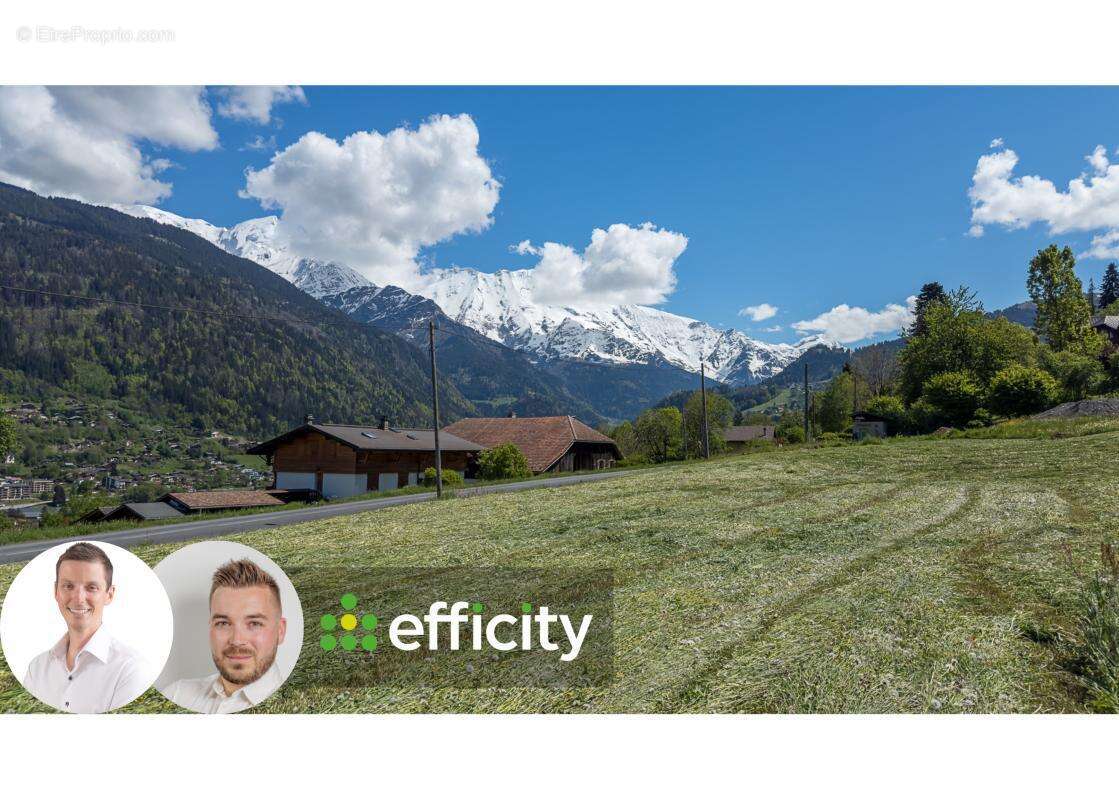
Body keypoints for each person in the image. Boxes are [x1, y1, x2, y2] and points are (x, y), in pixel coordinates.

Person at [23, 542, 151, 713]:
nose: (78, 598)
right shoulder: (37, 668)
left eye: (91, 587)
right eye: (68, 586)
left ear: (109, 594)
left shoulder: (131, 671)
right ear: (56, 591)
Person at [162, 559, 287, 713]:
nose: (237, 640)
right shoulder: (177, 694)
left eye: (254, 623)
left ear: (280, 631)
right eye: (223, 623)